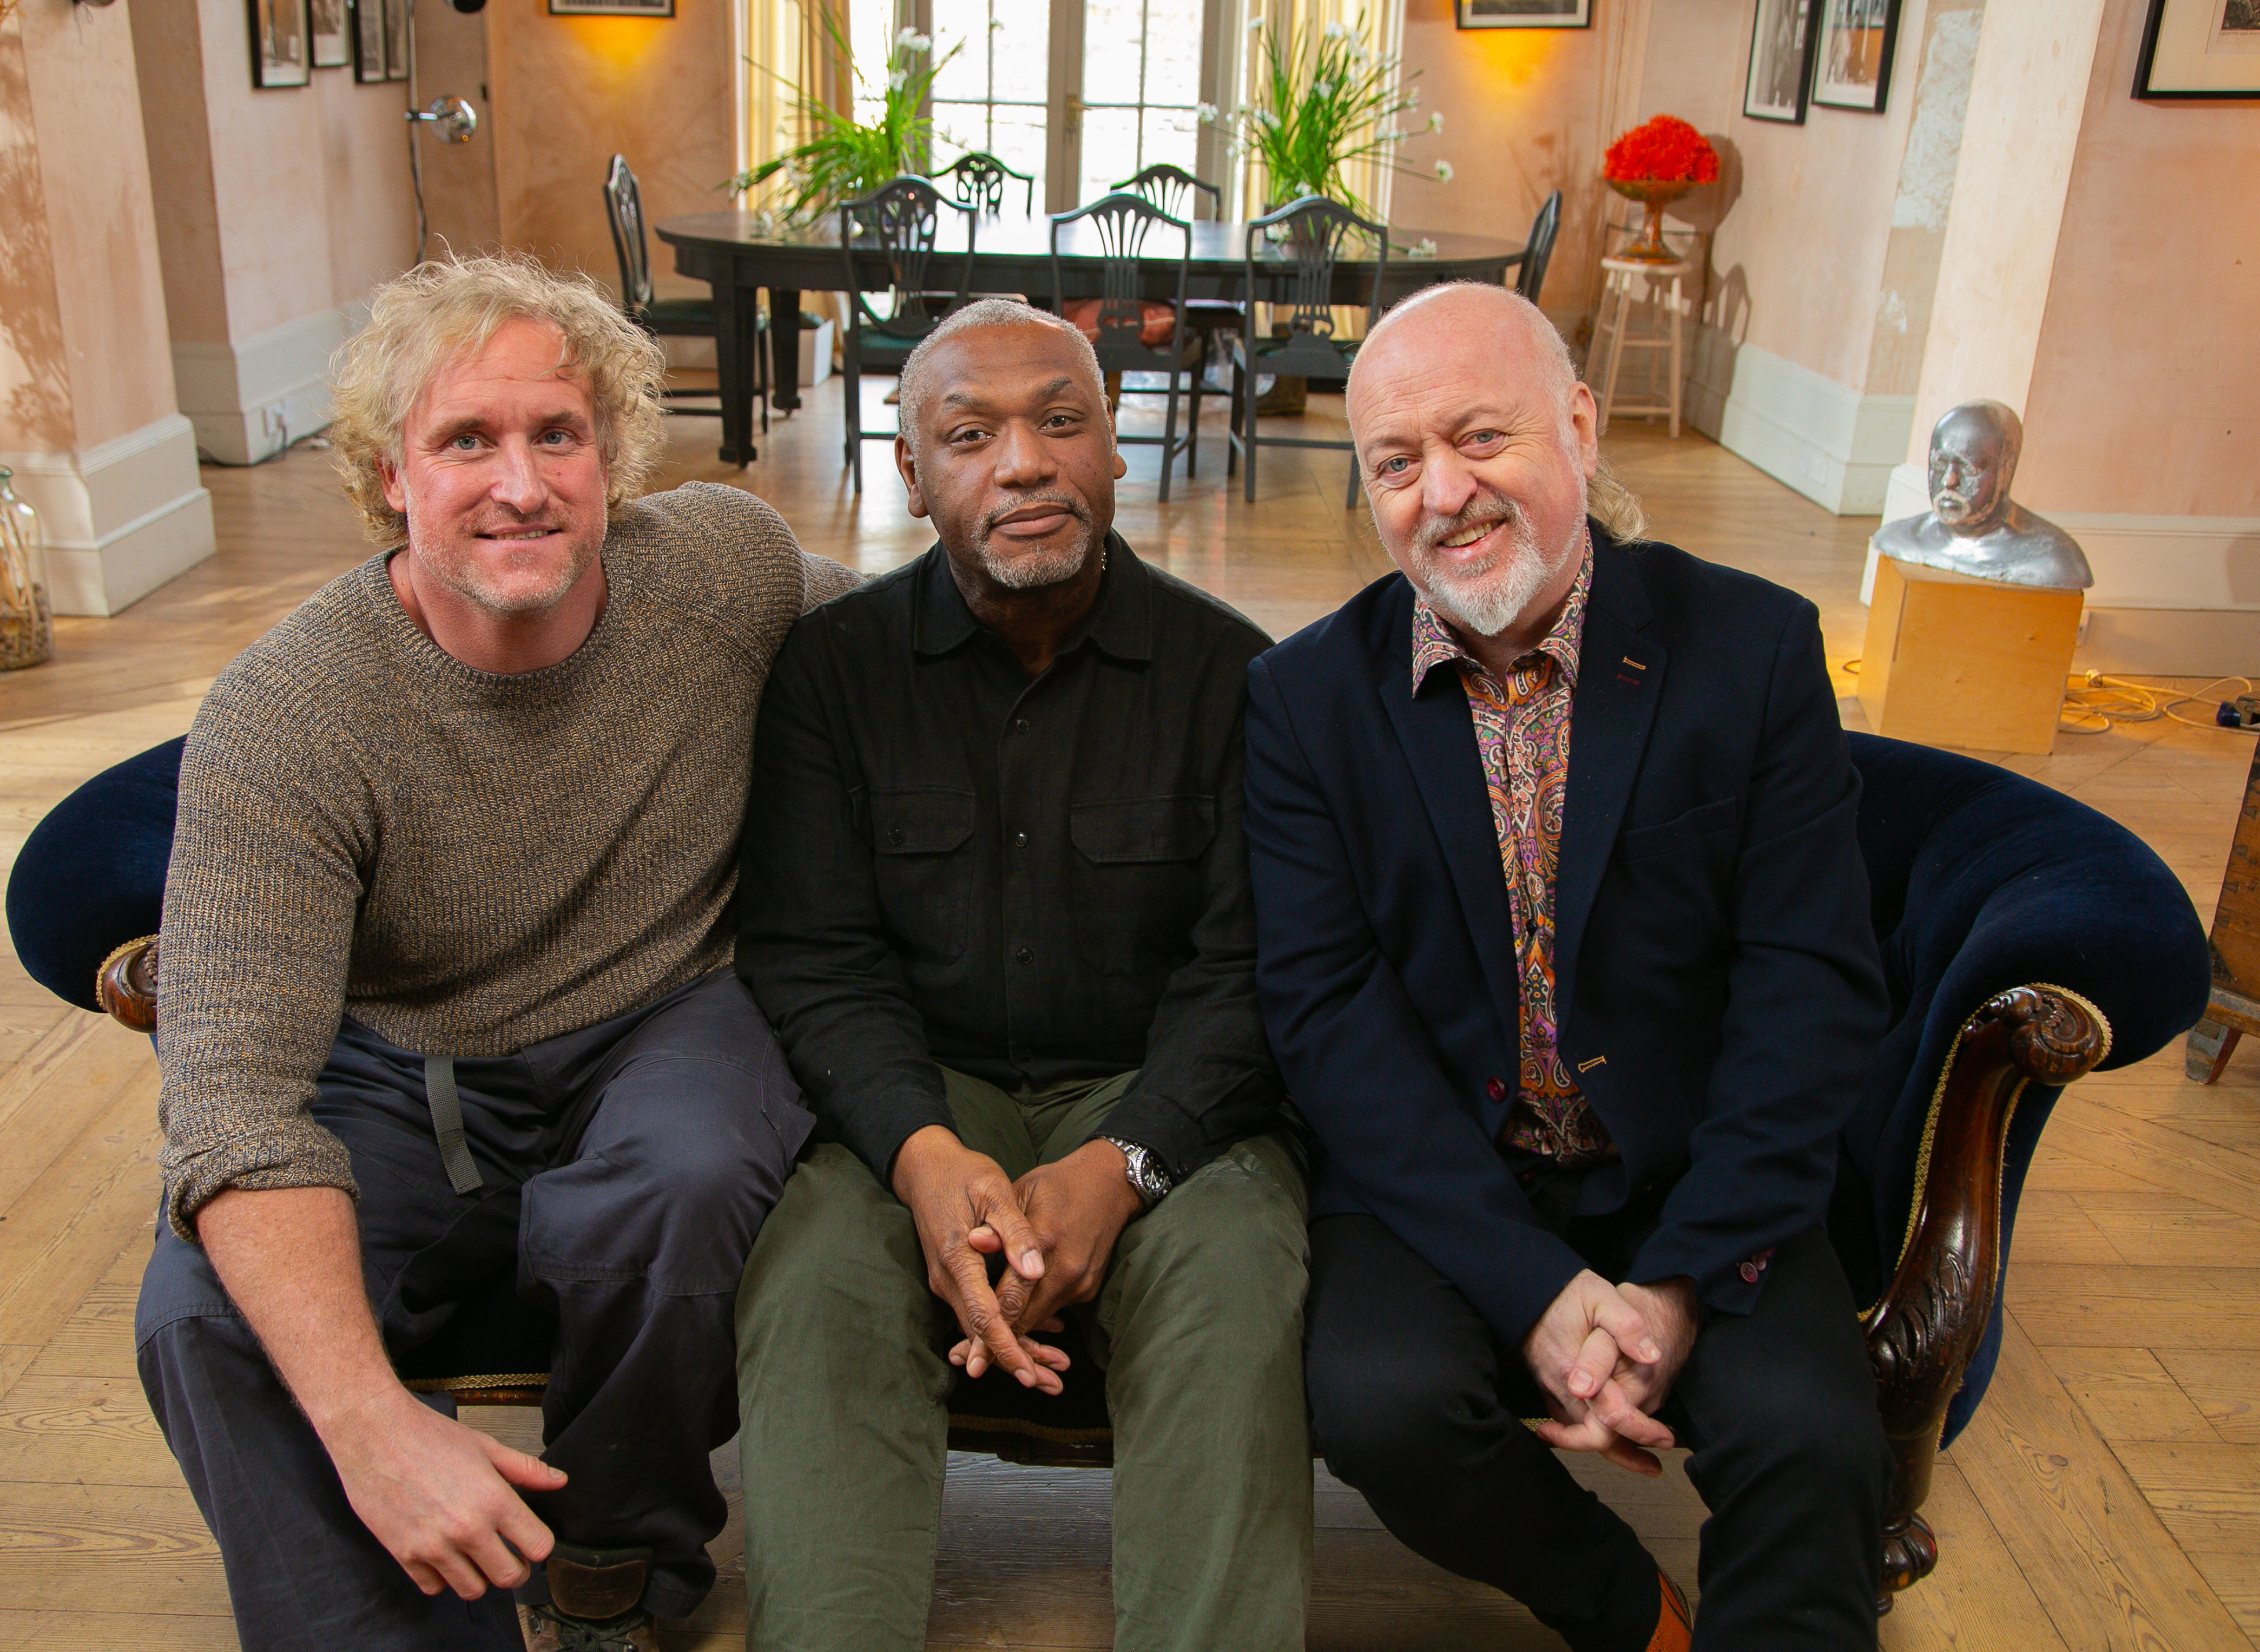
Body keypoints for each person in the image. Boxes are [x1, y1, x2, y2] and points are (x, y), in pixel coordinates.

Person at [135, 255, 857, 1652]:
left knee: (683, 1173)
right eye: (465, 439)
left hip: (666, 1010)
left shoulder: (723, 567)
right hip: (402, 1056)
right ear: (390, 475)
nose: (519, 483)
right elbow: (229, 1103)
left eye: (556, 435)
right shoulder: (291, 711)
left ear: (613, 457)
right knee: (201, 1315)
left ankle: (614, 1555)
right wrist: (366, 1420)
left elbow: (915, 651)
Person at [1244, 281, 1893, 1651]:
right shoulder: (1301, 701)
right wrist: (1528, 1289)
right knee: (1380, 1403)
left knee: (1815, 1439)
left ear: (1581, 427)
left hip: (1695, 1166)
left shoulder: (1755, 650)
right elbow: (1328, 1016)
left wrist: (1680, 1282)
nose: (1445, 493)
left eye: (1482, 438)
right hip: (1446, 1178)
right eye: (1396, 462)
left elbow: (1809, 985)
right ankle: (1626, 1612)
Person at [731, 298, 1312, 1652]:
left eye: (1064, 421)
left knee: (1233, 1282)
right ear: (912, 473)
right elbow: (816, 957)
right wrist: (923, 1155)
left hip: (1167, 1102)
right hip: (922, 1098)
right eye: (970, 434)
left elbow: (1253, 971)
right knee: (815, 1272)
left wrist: (1127, 1162)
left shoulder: (1238, 675)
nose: (1026, 463)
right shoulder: (829, 674)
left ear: (1118, 451)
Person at [1869, 399, 2092, 589]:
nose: (1949, 481)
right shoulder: (1901, 538)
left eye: (1968, 469)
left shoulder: (2052, 560)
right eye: (1939, 465)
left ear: (2007, 469)